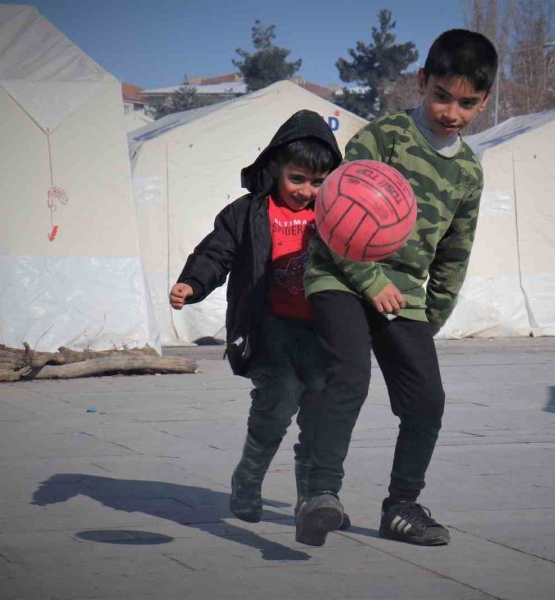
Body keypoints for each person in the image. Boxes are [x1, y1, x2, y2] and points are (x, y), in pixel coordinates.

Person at [294, 29, 497, 547]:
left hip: (403, 293)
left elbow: (455, 252)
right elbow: (332, 215)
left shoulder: (470, 172)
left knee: (427, 399)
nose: (452, 112)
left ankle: (401, 506)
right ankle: (320, 495)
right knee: (350, 375)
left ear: (485, 99)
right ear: (423, 82)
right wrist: (371, 278)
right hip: (339, 274)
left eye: (468, 103)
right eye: (442, 96)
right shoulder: (380, 139)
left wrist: (430, 319)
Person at [169, 109, 350, 529]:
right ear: (274, 169)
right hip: (270, 331)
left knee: (323, 411)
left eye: (319, 182)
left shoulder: (338, 216)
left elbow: (366, 253)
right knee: (278, 400)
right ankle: (248, 479)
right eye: (298, 179)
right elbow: (217, 252)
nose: (307, 191)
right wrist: (192, 284)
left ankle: (314, 498)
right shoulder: (248, 212)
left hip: (323, 332)